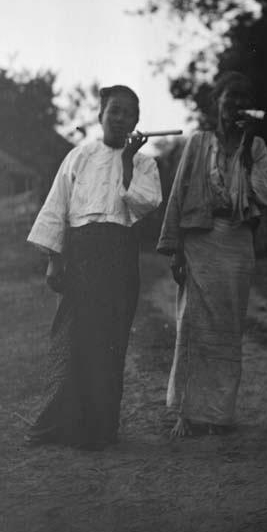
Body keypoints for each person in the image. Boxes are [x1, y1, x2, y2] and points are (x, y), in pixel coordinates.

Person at [26, 84, 162, 450]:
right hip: (81, 254)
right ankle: (59, 425)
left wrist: (128, 162)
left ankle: (100, 430)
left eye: (129, 113)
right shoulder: (78, 157)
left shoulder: (145, 163)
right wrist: (55, 259)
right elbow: (57, 208)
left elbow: (144, 205)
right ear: (101, 113)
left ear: (137, 120)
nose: (121, 119)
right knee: (73, 338)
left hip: (119, 254)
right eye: (114, 110)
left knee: (110, 340)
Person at [157, 71, 267, 437]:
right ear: (218, 102)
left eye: (243, 99)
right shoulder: (197, 142)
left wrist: (248, 152)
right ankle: (188, 413)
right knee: (192, 326)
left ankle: (219, 415)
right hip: (200, 242)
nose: (236, 105)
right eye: (230, 97)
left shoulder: (255, 147)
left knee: (227, 330)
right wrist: (175, 247)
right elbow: (178, 194)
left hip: (237, 243)